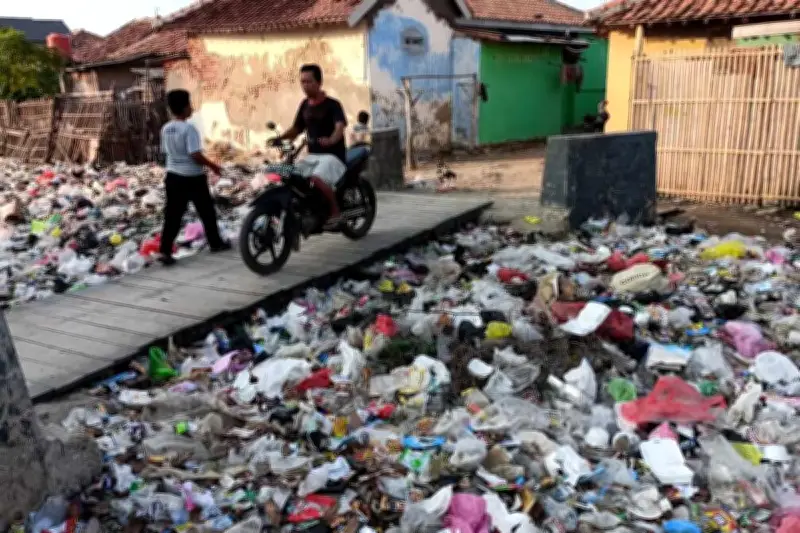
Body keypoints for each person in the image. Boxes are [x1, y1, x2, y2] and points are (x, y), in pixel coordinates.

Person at [159, 89, 230, 266]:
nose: (191, 108)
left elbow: (165, 152)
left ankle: (165, 251)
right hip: (192, 178)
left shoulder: (166, 128)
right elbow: (195, 154)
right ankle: (215, 243)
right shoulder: (189, 128)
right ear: (184, 108)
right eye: (189, 104)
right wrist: (214, 166)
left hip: (173, 176)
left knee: (172, 215)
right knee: (206, 212)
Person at [274, 64, 347, 221]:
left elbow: (340, 127)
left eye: (308, 81)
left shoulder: (333, 105)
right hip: (312, 156)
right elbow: (296, 129)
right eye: (302, 82)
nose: (304, 86)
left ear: (319, 83)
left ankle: (336, 212)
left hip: (332, 155)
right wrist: (279, 140)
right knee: (290, 175)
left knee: (316, 179)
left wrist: (331, 140)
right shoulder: (304, 105)